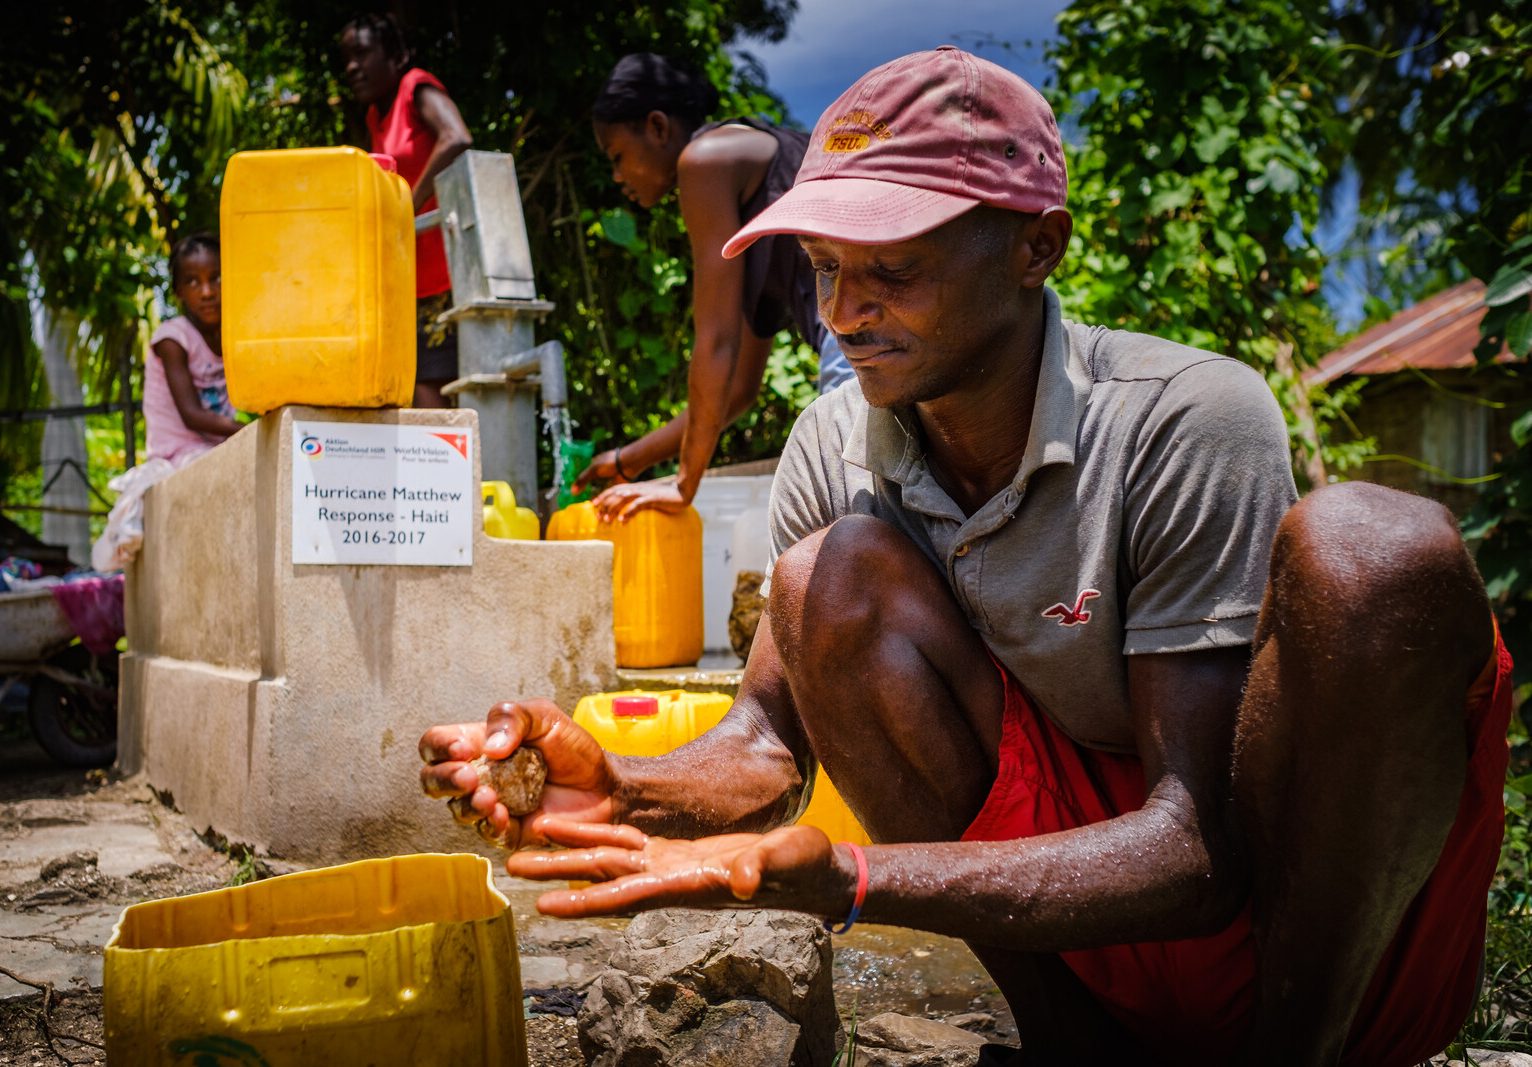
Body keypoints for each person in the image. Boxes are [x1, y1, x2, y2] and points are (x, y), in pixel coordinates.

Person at [418, 48, 1514, 1067]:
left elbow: (1200, 852)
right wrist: (625, 789)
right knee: (827, 574)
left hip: (1310, 933)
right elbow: (763, 744)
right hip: (1082, 915)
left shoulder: (1186, 420)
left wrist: (850, 874)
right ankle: (1075, 1045)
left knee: (1375, 551)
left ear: (1036, 246)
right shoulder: (835, 444)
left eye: (892, 266)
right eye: (823, 268)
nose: (844, 312)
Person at [573, 54, 856, 522]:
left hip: (859, 329)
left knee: (852, 512)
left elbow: (716, 342)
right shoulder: (758, 202)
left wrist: (685, 485)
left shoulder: (703, 160)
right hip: (894, 320)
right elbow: (738, 391)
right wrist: (628, 462)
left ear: (658, 127)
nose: (617, 177)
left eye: (617, 157)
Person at [340, 13, 473, 409]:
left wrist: (406, 206)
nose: (352, 67)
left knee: (433, 393)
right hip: (406, 281)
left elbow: (456, 137)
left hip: (444, 277)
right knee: (410, 391)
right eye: (347, 57)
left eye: (362, 54)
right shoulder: (375, 117)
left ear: (396, 57)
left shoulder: (415, 86)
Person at [145, 233, 243, 465]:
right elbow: (192, 415)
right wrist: (253, 430)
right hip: (176, 455)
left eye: (216, 278)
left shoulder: (234, 337)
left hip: (214, 448)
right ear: (179, 291)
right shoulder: (173, 339)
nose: (207, 292)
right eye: (193, 282)